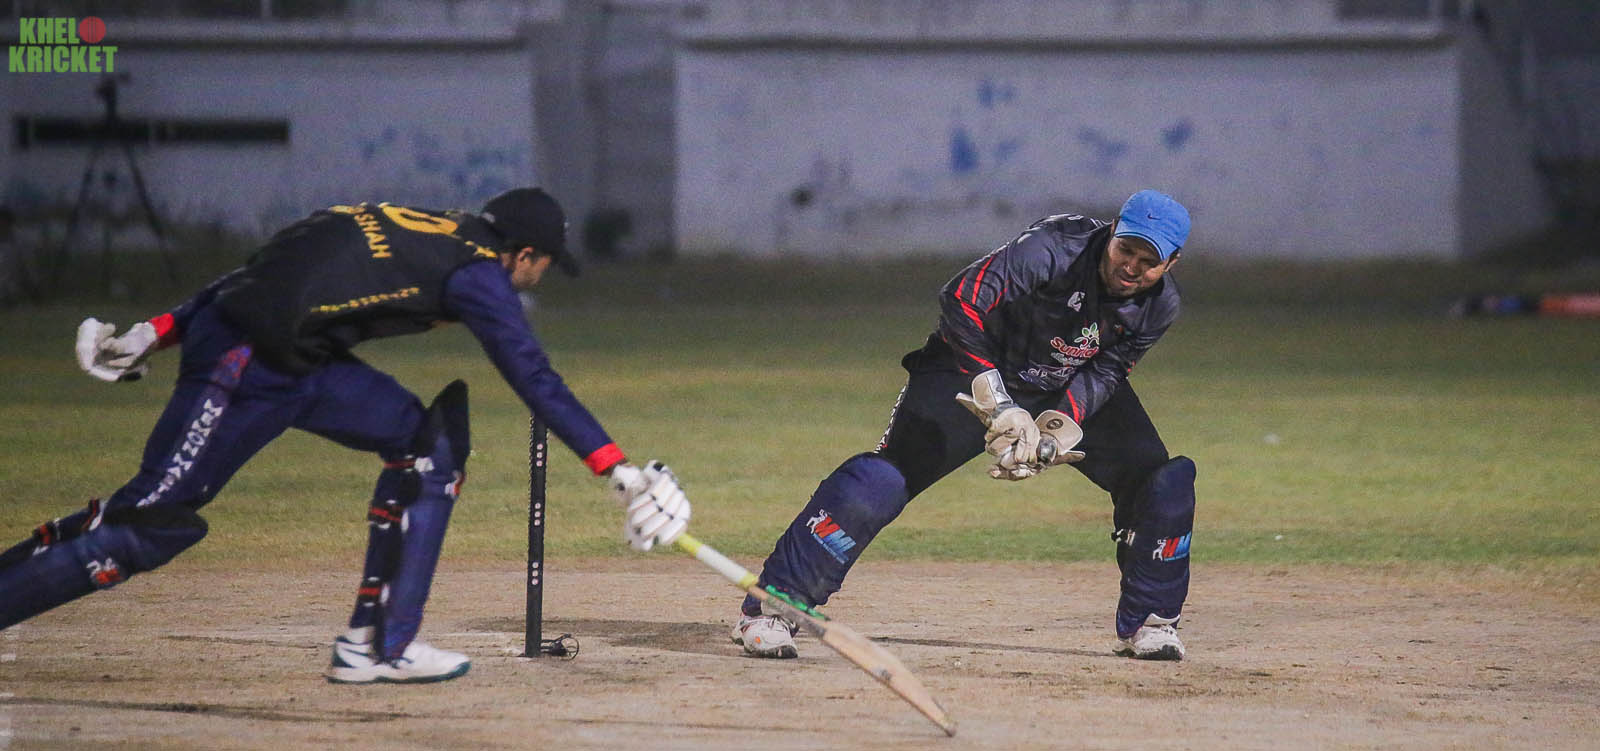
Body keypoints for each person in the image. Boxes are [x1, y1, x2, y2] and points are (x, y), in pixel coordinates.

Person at [0, 188, 692, 683]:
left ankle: (378, 644)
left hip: (301, 362)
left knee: (429, 446)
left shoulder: (419, 224)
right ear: (527, 254)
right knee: (145, 525)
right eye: (543, 266)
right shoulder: (478, 273)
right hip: (243, 360)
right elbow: (531, 372)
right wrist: (615, 467)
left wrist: (157, 328)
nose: (538, 278)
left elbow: (260, 267)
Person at [732, 190, 1195, 661]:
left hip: (1059, 380)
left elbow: (1108, 370)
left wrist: (1057, 430)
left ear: (1172, 262)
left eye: (1149, 261)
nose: (1131, 267)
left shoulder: (1160, 305)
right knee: (880, 481)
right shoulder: (1052, 249)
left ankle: (1152, 622)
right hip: (968, 366)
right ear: (1112, 231)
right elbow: (962, 299)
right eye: (1125, 249)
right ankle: (772, 608)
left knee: (1162, 481)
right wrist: (998, 402)